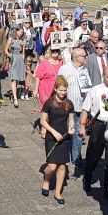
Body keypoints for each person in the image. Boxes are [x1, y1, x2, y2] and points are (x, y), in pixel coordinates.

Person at [80, 66, 108, 194]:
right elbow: (85, 109)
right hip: (99, 124)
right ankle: (88, 177)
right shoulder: (95, 90)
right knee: (93, 155)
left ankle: (107, 188)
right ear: (103, 76)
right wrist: (82, 126)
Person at [40, 75, 74, 205]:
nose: (63, 93)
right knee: (52, 166)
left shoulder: (69, 103)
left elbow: (70, 119)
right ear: (55, 89)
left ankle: (58, 192)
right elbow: (43, 121)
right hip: (51, 137)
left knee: (62, 166)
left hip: (64, 138)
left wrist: (71, 128)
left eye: (65, 90)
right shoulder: (49, 103)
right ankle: (47, 179)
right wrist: (53, 132)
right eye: (61, 90)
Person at [57, 47, 92, 177]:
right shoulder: (65, 69)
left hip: (80, 107)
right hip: (67, 108)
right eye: (84, 56)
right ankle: (64, 158)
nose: (86, 58)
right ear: (76, 57)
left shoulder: (84, 69)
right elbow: (58, 86)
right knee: (67, 133)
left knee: (78, 135)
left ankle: (76, 159)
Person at [5, 27, 26, 108]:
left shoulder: (23, 41)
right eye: (19, 31)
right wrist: (10, 55)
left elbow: (23, 53)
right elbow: (6, 50)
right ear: (16, 31)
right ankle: (15, 98)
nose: (20, 33)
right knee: (13, 78)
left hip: (20, 59)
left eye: (22, 32)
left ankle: (13, 95)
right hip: (13, 59)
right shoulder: (11, 39)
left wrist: (23, 61)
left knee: (17, 79)